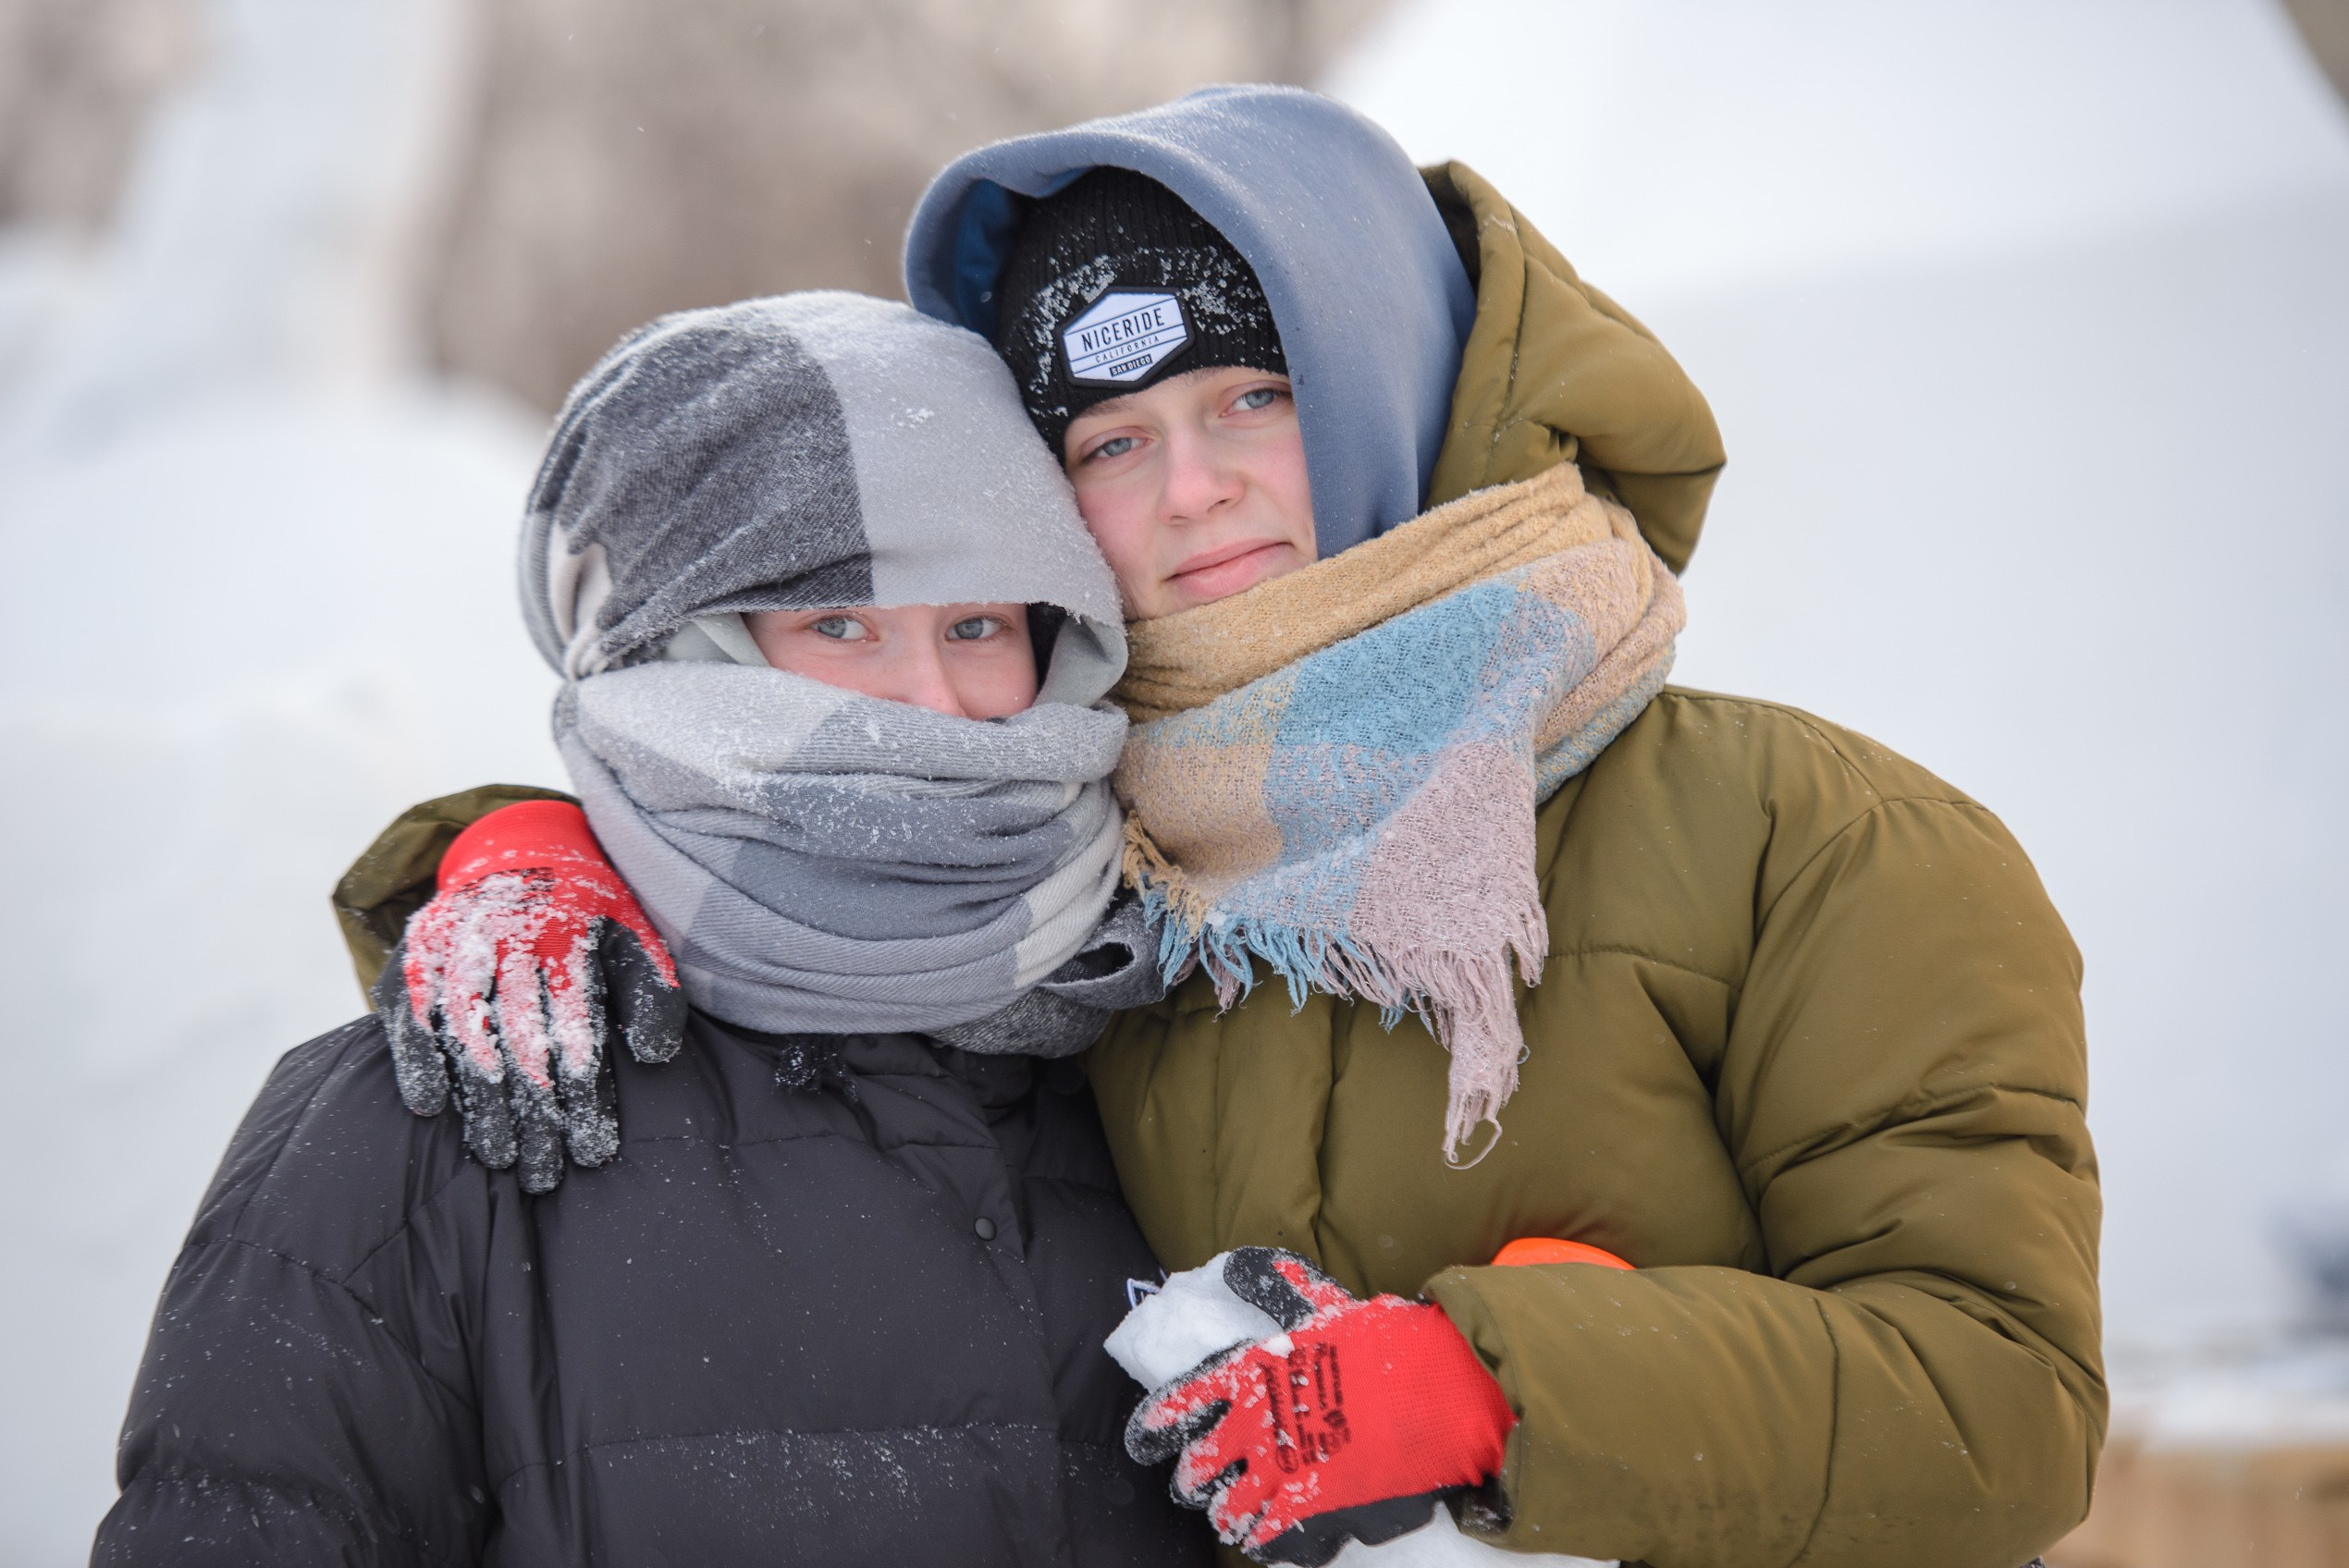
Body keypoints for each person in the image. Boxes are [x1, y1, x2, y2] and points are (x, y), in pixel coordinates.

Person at [310, 89, 2100, 1568]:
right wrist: (535, 846)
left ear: (1401, 371)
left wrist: (1509, 1384)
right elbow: (835, 847)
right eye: (1109, 439)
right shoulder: (1100, 853)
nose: (1193, 487)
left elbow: (2007, 1403)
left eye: (1256, 394)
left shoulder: (1822, 842)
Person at [93, 292, 1212, 1567]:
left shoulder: (1156, 1037)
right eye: (836, 625)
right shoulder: (427, 1117)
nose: (931, 704)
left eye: (978, 626)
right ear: (678, 657)